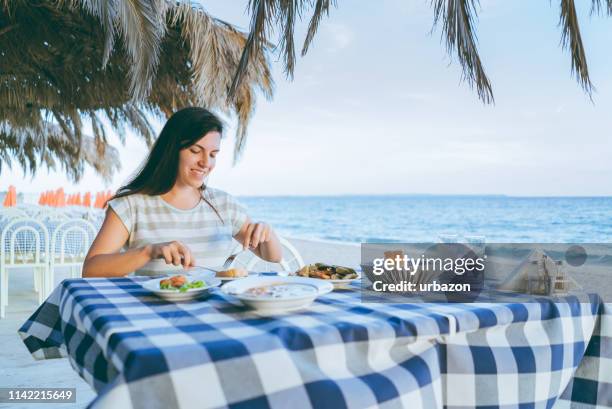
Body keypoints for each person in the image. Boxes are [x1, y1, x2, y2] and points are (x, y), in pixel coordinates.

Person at [83, 107, 282, 277]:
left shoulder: (224, 204)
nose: (206, 163)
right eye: (195, 151)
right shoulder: (132, 205)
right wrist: (149, 252)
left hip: (216, 314)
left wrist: (266, 232)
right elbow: (90, 270)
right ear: (172, 149)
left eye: (213, 154)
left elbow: (272, 256)